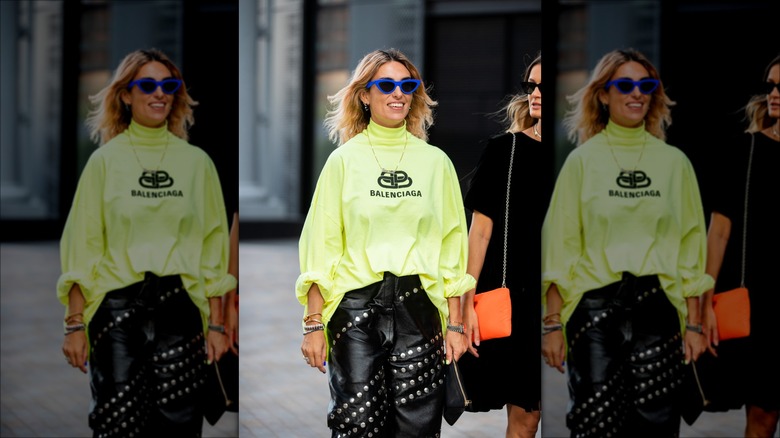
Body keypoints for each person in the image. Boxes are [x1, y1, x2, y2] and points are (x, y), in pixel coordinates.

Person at [296, 48, 475, 437]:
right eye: (387, 85)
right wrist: (312, 325)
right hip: (355, 309)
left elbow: (452, 249)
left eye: (407, 85)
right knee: (357, 426)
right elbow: (320, 246)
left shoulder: (436, 163)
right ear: (364, 94)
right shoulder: (343, 162)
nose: (398, 93)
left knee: (417, 429)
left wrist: (456, 324)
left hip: (420, 312)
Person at [58, 48, 236, 437]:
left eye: (168, 85)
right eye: (148, 85)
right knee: (118, 423)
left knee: (179, 425)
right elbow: (81, 247)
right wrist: (74, 326)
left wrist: (218, 324)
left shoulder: (197, 163)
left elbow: (213, 250)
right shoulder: (104, 163)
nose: (159, 94)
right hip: (117, 310)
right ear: (125, 94)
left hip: (182, 311)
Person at [540, 48, 713, 437]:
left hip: (659, 310)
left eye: (646, 86)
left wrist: (695, 325)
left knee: (657, 426)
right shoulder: (582, 162)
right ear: (603, 94)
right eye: (625, 85)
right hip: (596, 310)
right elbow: (560, 248)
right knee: (595, 424)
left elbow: (691, 249)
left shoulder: (675, 164)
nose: (637, 94)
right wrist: (551, 326)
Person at [458, 52, 550, 438]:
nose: (536, 93)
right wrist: (466, 303)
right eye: (531, 85)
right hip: (517, 302)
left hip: (569, 296)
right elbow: (478, 232)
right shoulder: (504, 150)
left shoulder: (583, 156)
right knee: (526, 416)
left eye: (545, 85)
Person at [701, 54, 780, 438]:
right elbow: (718, 232)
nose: (774, 94)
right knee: (762, 417)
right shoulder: (745, 151)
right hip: (762, 304)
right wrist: (707, 298)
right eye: (771, 86)